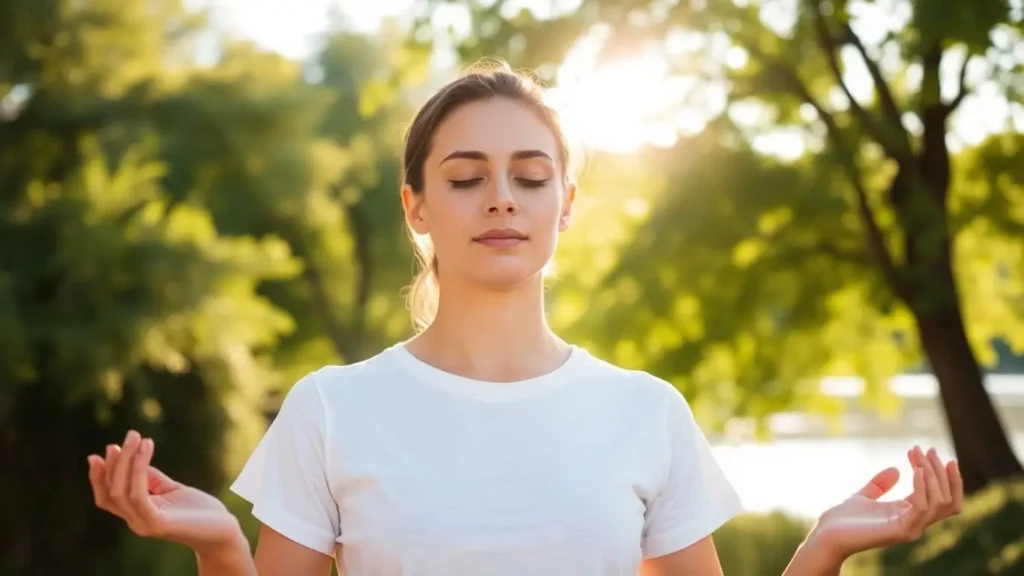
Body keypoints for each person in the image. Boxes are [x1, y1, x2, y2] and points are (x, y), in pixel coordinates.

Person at [86, 60, 963, 576]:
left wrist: (820, 552)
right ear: (416, 206)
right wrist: (219, 552)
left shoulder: (647, 411)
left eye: (531, 177)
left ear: (566, 205)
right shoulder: (330, 409)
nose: (500, 199)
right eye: (466, 177)